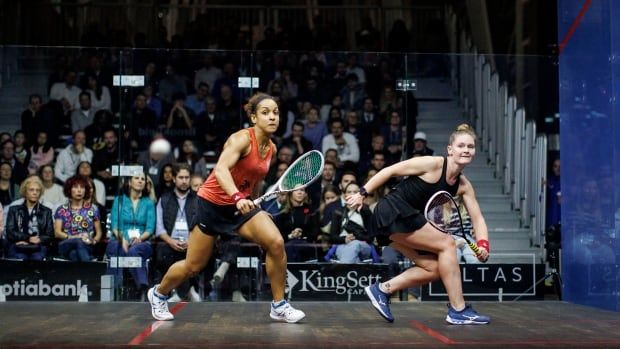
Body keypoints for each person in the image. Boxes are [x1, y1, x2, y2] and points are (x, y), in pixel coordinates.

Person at [148, 92, 306, 323]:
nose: (272, 117)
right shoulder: (241, 139)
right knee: (194, 266)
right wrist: (236, 196)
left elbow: (252, 179)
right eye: (265, 113)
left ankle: (279, 304)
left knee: (276, 242)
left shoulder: (270, 148)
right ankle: (159, 293)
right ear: (253, 117)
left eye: (276, 113)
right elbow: (221, 169)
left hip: (239, 206)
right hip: (211, 205)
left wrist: (251, 199)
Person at [346, 124, 491, 325]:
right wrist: (362, 193)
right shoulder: (432, 163)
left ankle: (381, 289)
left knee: (433, 268)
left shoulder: (464, 185)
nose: (466, 150)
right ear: (450, 149)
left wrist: (483, 244)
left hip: (402, 223)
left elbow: (478, 219)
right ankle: (458, 309)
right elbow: (390, 170)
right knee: (448, 244)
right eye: (461, 146)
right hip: (392, 212)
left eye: (470, 147)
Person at [154, 164, 201, 302]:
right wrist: (171, 241)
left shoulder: (198, 199)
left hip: (191, 242)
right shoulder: (165, 199)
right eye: (181, 177)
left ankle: (179, 293)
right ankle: (186, 291)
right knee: (164, 252)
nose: (184, 181)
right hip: (170, 242)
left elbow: (201, 225)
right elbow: (159, 227)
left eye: (187, 177)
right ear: (174, 179)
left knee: (196, 254)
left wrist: (191, 241)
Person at [53, 175, 102, 261]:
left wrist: (93, 241)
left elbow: (99, 232)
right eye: (75, 187)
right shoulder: (61, 209)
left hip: (86, 245)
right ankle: (90, 263)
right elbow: (57, 233)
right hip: (65, 244)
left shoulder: (93, 209)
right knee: (78, 242)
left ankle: (86, 261)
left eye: (82, 187)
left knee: (74, 254)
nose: (79, 190)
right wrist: (75, 237)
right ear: (69, 190)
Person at [5, 176, 54, 260]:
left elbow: (50, 235)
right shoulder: (14, 209)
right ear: (25, 192)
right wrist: (28, 238)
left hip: (38, 245)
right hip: (18, 244)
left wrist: (39, 240)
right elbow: (10, 232)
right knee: (21, 257)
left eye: (37, 190)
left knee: (37, 258)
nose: (35, 193)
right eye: (31, 190)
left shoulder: (47, 211)